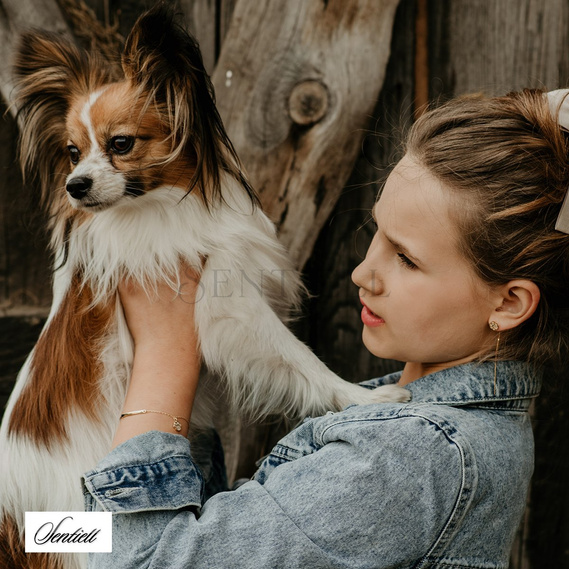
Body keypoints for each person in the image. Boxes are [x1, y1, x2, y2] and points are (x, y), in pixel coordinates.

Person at [83, 88, 569, 568]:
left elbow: (143, 559)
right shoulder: (432, 428)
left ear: (508, 303)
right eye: (375, 231)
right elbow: (208, 529)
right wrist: (38, 529)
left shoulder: (404, 461)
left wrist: (164, 352)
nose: (362, 273)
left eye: (406, 259)